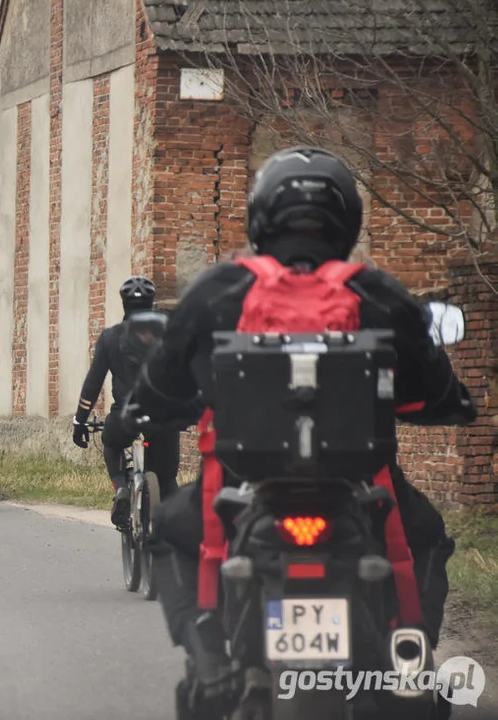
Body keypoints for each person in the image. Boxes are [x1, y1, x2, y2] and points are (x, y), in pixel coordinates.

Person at [124, 146, 477, 714]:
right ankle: (409, 663)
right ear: (348, 221)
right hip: (355, 492)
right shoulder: (377, 292)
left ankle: (212, 662)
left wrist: (140, 410)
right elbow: (433, 389)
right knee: (425, 534)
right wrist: (449, 403)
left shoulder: (220, 289)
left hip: (248, 491)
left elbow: (162, 382)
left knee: (171, 528)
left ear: (260, 217)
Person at [72, 277, 180, 529]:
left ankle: (120, 487)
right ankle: (174, 532)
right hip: (164, 416)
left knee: (111, 443)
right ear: (152, 303)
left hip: (125, 417)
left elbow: (93, 383)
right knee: (167, 478)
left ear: (124, 303)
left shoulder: (111, 337)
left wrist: (80, 420)